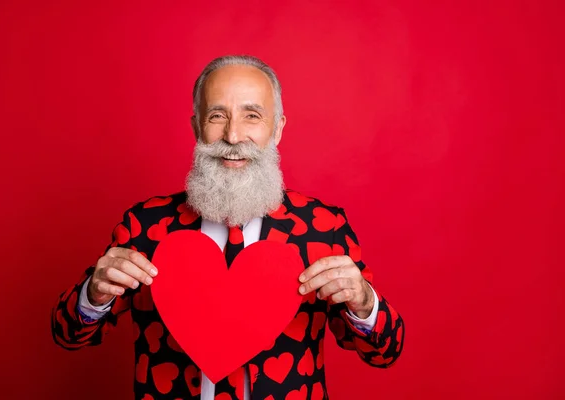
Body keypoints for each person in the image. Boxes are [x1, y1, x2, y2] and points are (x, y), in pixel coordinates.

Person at [51, 55, 404, 400]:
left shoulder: (323, 227)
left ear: (278, 128)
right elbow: (67, 334)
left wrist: (364, 303)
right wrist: (93, 296)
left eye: (252, 116)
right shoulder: (145, 225)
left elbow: (385, 351)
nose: (233, 136)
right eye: (217, 115)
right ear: (197, 127)